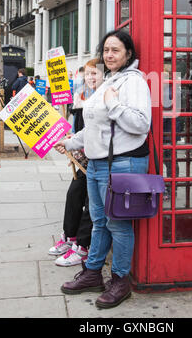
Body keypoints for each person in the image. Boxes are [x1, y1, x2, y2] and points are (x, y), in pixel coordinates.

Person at [54, 30, 151, 309]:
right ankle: (93, 272)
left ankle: (120, 281)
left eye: (115, 50)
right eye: (106, 50)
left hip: (121, 163)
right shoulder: (108, 80)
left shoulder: (134, 82)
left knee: (118, 225)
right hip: (97, 164)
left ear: (128, 54)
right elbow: (94, 128)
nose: (109, 55)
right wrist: (71, 141)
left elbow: (141, 124)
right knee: (98, 221)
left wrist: (113, 104)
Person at [50, 58, 103, 267]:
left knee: (92, 204)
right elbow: (84, 130)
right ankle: (70, 237)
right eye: (87, 74)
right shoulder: (85, 97)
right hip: (84, 157)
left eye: (94, 73)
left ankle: (82, 246)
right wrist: (71, 141)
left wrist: (74, 142)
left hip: (98, 159)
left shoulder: (105, 97)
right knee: (74, 195)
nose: (90, 77)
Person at [70, 67, 85, 134]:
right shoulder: (83, 80)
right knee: (81, 118)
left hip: (76, 101)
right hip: (81, 101)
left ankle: (74, 131)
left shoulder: (75, 80)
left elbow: (73, 91)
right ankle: (79, 131)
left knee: (75, 117)